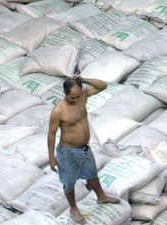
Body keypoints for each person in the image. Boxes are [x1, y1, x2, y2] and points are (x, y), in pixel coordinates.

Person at [48, 73, 120, 223]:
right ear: (65, 93)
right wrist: (51, 158)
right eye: (72, 97)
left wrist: (84, 79)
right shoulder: (58, 111)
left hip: (85, 148)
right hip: (68, 152)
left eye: (77, 96)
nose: (75, 100)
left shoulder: (83, 95)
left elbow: (103, 85)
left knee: (92, 174)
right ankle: (73, 208)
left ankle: (101, 197)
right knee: (69, 181)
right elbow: (52, 134)